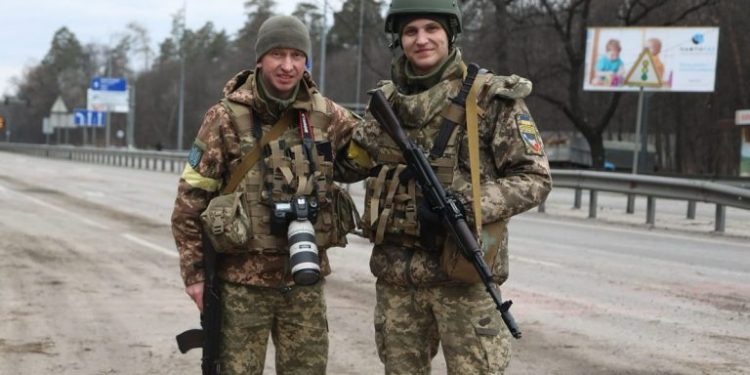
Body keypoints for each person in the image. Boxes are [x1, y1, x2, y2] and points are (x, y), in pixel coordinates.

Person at [347, 0, 552, 373]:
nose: (421, 39)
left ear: (450, 33)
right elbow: (350, 162)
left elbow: (535, 177)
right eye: (411, 31)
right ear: (399, 39)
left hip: (463, 274)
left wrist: (469, 204)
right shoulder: (386, 103)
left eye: (431, 29)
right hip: (398, 280)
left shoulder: (490, 98)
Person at [171, 15, 363, 374]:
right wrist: (195, 275)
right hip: (241, 286)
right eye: (277, 54)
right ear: (260, 59)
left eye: (296, 55)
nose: (288, 66)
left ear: (307, 60)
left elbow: (366, 156)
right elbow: (189, 202)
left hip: (303, 282)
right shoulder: (225, 118)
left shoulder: (326, 114)